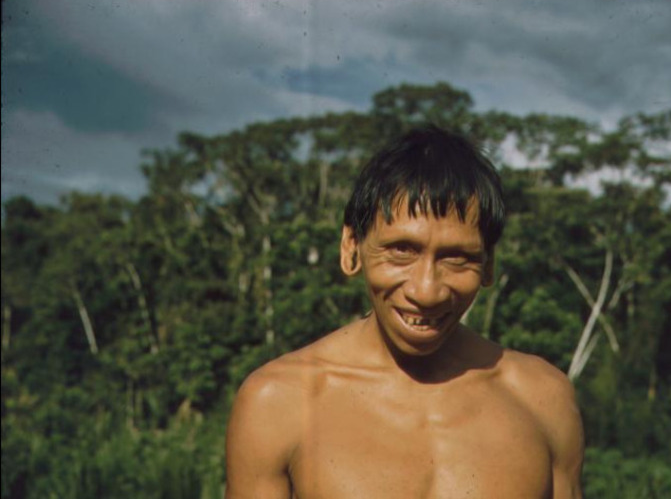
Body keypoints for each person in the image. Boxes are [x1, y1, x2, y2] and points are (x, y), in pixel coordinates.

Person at [224, 125, 584, 499]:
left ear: (489, 264)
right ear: (351, 248)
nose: (426, 291)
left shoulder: (542, 399)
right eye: (401, 251)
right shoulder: (280, 402)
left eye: (457, 258)